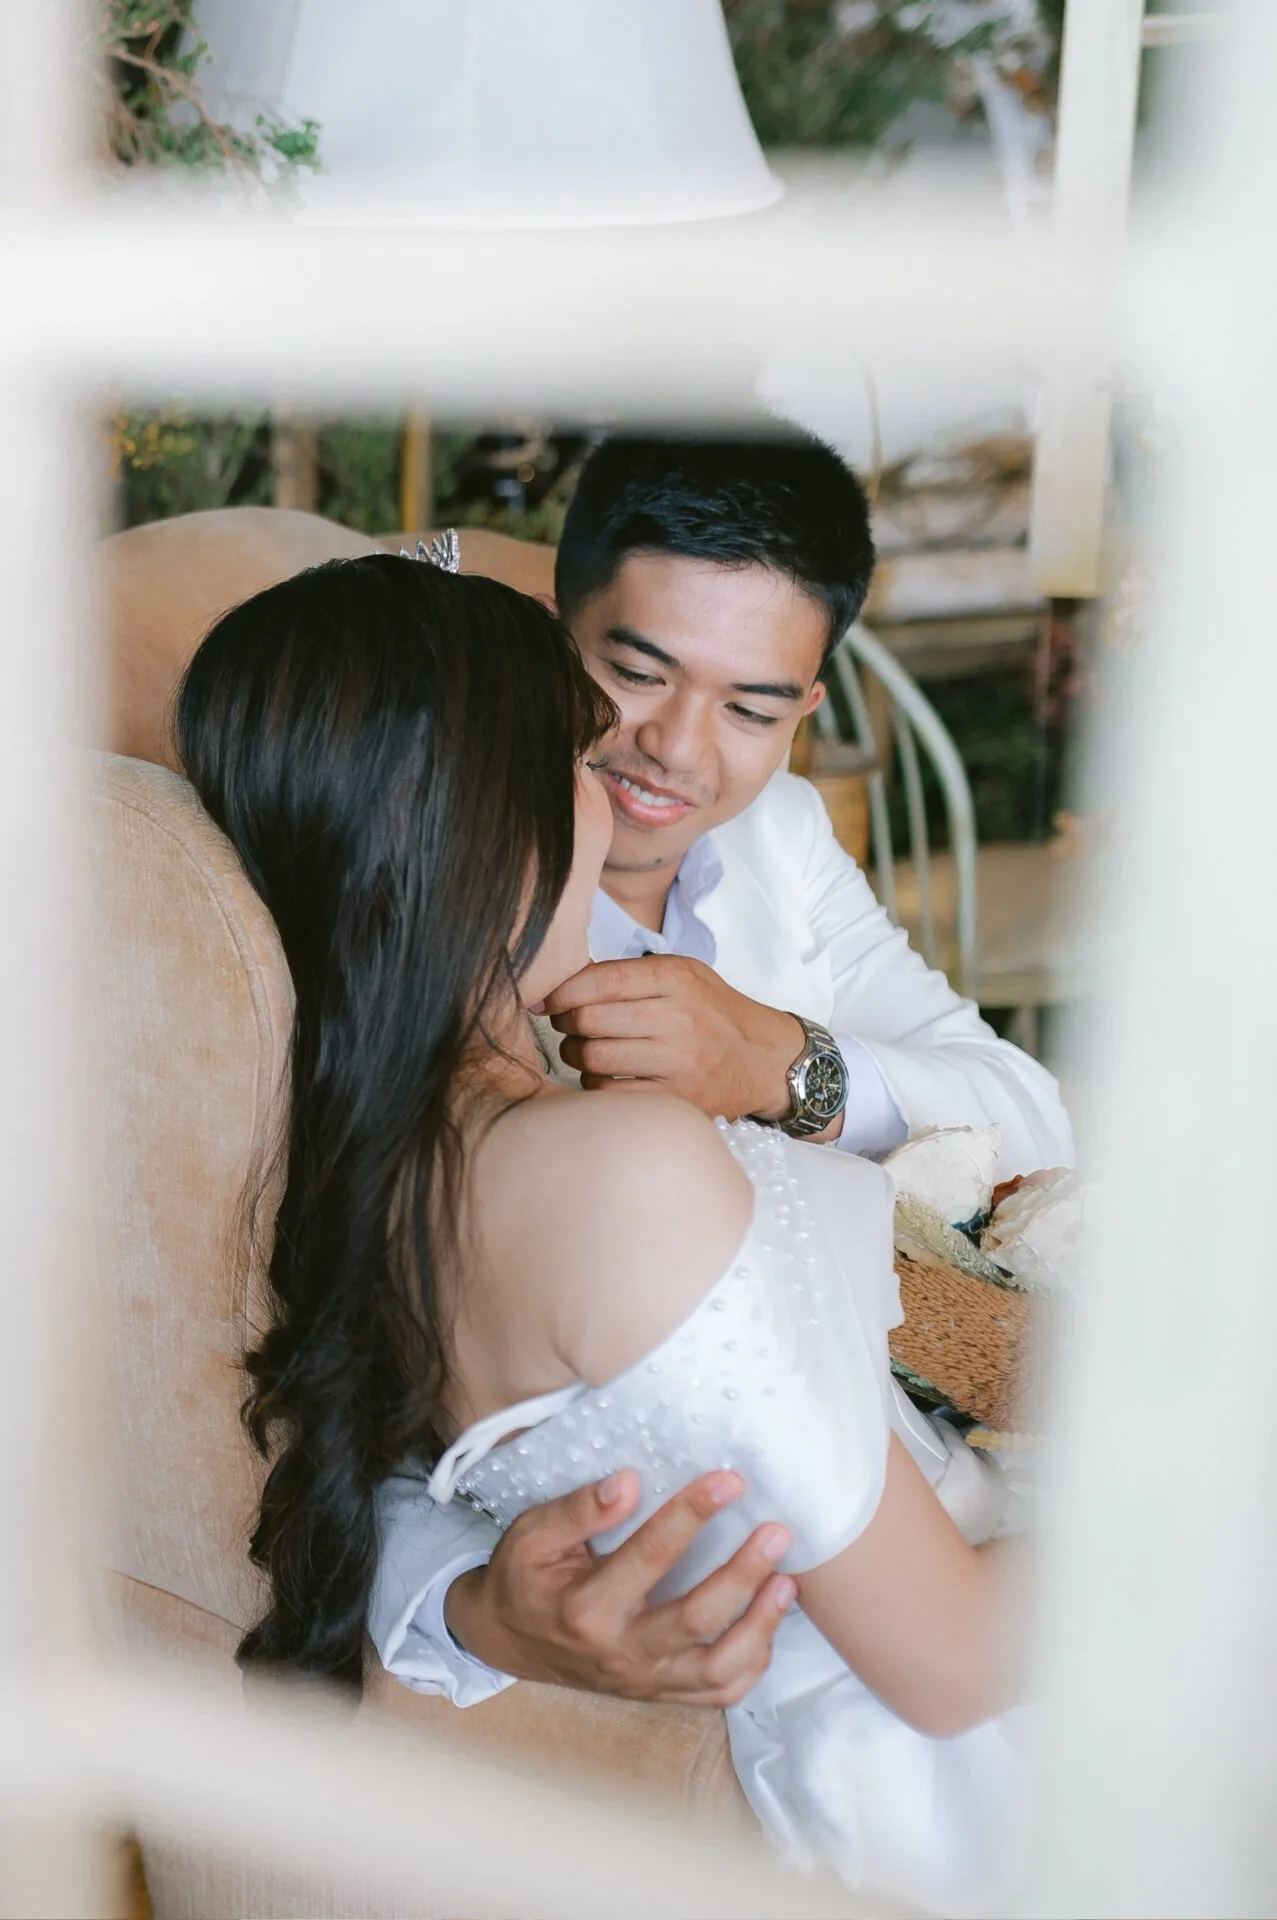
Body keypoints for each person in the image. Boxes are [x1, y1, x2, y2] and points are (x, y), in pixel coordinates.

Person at [177, 553, 1031, 1911]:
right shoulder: (617, 1170)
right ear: (482, 815)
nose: (636, 778)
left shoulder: (380, 1185)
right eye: (585, 748)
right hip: (981, 1772)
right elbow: (952, 1661)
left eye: (753, 701)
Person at [373, 431, 1067, 1708]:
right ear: (550, 626)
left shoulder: (777, 835)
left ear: (805, 708)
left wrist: (780, 1062)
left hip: (920, 1489)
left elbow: (1028, 1115)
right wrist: (459, 1607)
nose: (677, 752)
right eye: (634, 672)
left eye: (750, 708)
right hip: (851, 1626)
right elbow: (328, 1309)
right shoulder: (427, 874)